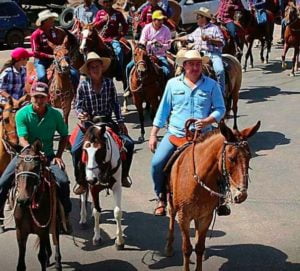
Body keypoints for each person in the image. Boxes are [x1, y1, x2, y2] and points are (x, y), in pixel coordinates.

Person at [148, 50, 226, 216]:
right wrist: (154, 134)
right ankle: (160, 196)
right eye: (191, 64)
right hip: (176, 134)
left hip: (203, 136)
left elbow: (221, 109)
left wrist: (207, 121)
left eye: (198, 64)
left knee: (222, 164)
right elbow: (163, 111)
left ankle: (221, 198)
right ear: (184, 66)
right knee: (157, 163)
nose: (195, 67)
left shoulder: (212, 85)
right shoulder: (172, 84)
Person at [0, 82, 72, 234]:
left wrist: (58, 156)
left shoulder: (55, 115)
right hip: (25, 155)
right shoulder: (22, 114)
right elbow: (22, 138)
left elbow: (65, 135)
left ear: (48, 98)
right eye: (36, 97)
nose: (39, 100)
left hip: (48, 155)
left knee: (63, 181)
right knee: (3, 181)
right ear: (31, 98)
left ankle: (65, 214)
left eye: (42, 97)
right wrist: (30, 151)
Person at [71, 52, 134, 195]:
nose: (95, 69)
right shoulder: (83, 85)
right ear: (88, 69)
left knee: (129, 144)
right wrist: (81, 114)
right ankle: (80, 181)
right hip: (89, 123)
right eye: (92, 67)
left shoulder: (109, 83)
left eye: (97, 66)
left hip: (106, 121)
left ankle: (123, 175)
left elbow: (115, 104)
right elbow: (78, 105)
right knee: (75, 149)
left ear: (102, 67)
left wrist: (120, 121)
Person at [175, 7, 226, 96]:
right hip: (198, 55)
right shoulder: (198, 30)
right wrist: (175, 39)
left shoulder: (214, 28)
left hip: (212, 54)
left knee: (219, 70)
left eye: (198, 17)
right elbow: (189, 37)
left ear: (204, 18)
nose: (196, 19)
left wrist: (209, 39)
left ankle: (221, 93)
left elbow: (222, 42)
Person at [125, 10, 172, 96]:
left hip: (160, 55)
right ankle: (128, 88)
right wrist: (151, 43)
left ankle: (166, 91)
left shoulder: (166, 29)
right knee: (128, 67)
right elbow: (142, 42)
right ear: (153, 20)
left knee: (167, 71)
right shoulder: (147, 28)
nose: (161, 22)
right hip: (146, 54)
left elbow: (169, 45)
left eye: (162, 20)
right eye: (159, 20)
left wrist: (161, 45)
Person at [30, 9, 79, 87]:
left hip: (57, 57)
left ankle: (76, 92)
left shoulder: (55, 32)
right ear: (45, 21)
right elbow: (36, 53)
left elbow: (59, 45)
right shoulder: (35, 35)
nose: (53, 20)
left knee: (74, 73)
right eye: (51, 19)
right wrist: (50, 56)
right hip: (41, 60)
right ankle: (43, 95)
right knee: (42, 76)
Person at [94, 0, 129, 81]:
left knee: (119, 51)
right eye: (105, 2)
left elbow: (125, 25)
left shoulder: (118, 13)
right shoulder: (100, 13)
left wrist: (120, 35)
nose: (107, 4)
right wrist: (103, 20)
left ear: (111, 3)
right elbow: (95, 26)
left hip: (113, 38)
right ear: (103, 4)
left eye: (109, 2)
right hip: (101, 39)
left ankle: (119, 72)